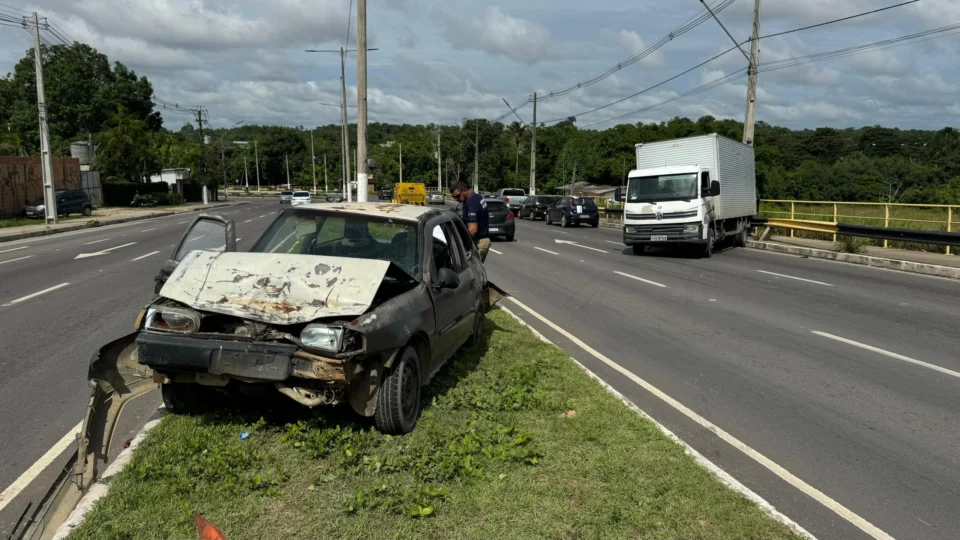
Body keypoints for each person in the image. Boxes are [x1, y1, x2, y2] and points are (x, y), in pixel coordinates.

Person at [450, 182, 490, 262]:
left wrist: (461, 244)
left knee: (471, 270)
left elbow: (472, 229)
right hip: (483, 240)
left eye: (458, 196)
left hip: (479, 243)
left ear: (465, 191)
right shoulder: (477, 198)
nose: (457, 199)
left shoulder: (471, 203)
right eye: (454, 197)